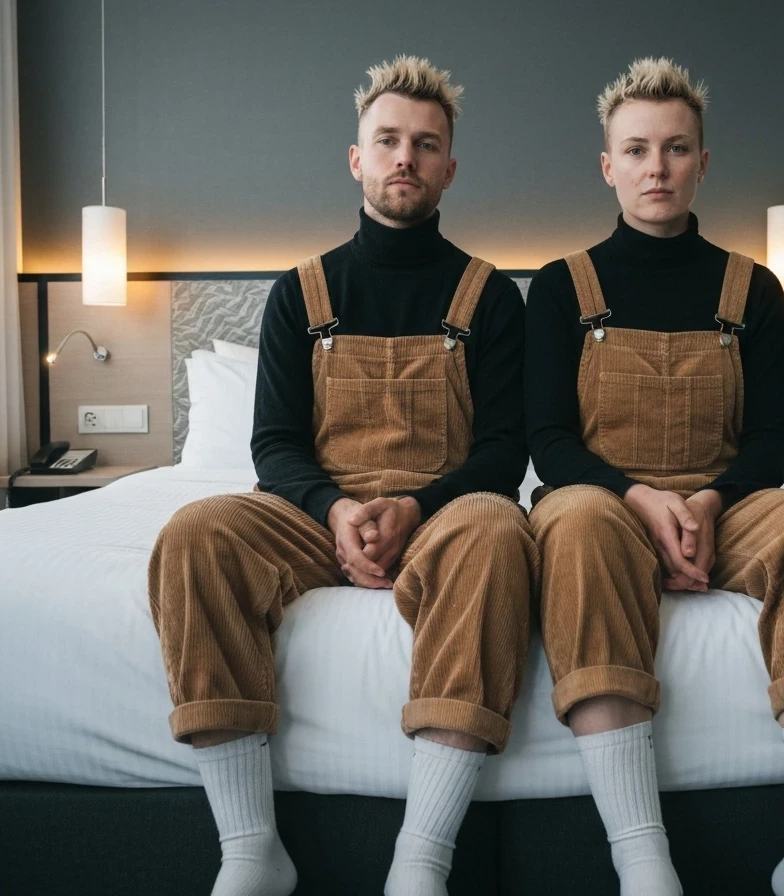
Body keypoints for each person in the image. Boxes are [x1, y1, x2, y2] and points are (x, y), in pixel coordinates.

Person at [148, 55, 537, 896]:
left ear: (449, 169)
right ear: (356, 158)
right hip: (315, 510)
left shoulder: (491, 298)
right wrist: (334, 510)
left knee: (503, 528)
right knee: (195, 532)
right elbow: (275, 445)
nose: (407, 158)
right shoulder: (299, 293)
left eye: (426, 145)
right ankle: (252, 847)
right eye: (388, 140)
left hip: (444, 510)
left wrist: (412, 505)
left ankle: (422, 856)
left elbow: (505, 453)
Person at [524, 57, 784, 896]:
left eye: (677, 148)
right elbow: (549, 441)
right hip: (604, 503)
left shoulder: (753, 287)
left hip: (727, 500)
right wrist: (642, 499)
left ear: (703, 163)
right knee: (575, 524)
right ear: (608, 165)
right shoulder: (558, 287)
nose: (658, 168)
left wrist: (710, 501)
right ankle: (642, 858)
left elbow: (771, 439)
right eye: (639, 150)